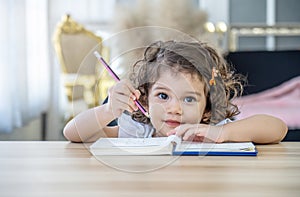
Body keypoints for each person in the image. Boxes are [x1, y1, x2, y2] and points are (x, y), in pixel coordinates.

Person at [63, 40, 287, 143]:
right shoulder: (139, 132)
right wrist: (108, 111)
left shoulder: (210, 132)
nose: (174, 109)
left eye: (189, 98)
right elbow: (73, 133)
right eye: (163, 96)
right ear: (145, 99)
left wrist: (223, 134)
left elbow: (278, 128)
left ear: (208, 109)